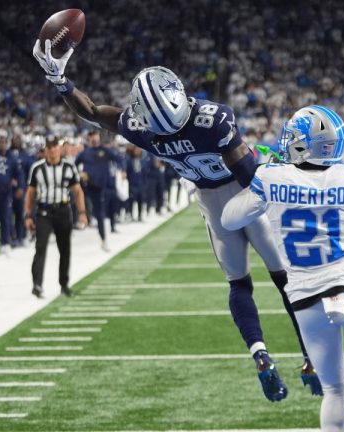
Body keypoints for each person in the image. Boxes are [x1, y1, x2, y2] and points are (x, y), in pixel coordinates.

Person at [33, 40, 321, 401]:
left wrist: (60, 81)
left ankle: (260, 354)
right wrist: (282, 178)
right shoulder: (213, 119)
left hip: (212, 204)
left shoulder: (142, 129)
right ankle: (311, 357)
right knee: (286, 281)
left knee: (239, 284)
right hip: (243, 195)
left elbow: (92, 110)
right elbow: (248, 175)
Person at [221, 105, 344, 431]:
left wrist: (264, 178)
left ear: (306, 143)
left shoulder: (272, 177)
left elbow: (230, 219)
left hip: (306, 298)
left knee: (334, 389)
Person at [25, 138, 88, 299]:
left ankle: (64, 284)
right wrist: (28, 215)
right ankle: (37, 284)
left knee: (65, 249)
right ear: (45, 149)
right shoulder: (37, 168)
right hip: (44, 211)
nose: (52, 150)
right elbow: (31, 193)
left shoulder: (68, 167)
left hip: (63, 210)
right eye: (49, 147)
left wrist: (82, 213)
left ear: (60, 149)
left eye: (55, 147)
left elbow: (78, 191)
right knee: (40, 248)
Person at [75, 130, 125, 251]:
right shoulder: (84, 153)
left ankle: (103, 239)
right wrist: (79, 174)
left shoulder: (105, 151)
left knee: (100, 214)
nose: (94, 138)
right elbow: (74, 165)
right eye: (91, 136)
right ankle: (79, 222)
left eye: (95, 135)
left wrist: (123, 171)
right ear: (89, 138)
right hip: (86, 186)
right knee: (78, 204)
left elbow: (120, 159)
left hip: (100, 188)